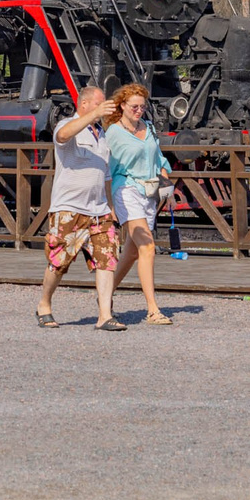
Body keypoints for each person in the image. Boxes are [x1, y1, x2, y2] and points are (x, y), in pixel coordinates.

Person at [37, 88, 121, 327]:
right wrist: (93, 114)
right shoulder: (68, 124)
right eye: (98, 103)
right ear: (84, 104)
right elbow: (62, 136)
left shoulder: (101, 134)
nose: (104, 106)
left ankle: (105, 315)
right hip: (69, 208)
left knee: (107, 260)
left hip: (99, 211)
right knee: (59, 262)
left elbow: (105, 174)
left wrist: (111, 205)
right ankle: (44, 302)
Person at [104, 83, 173, 327]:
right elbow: (105, 167)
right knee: (147, 246)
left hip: (149, 191)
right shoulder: (112, 132)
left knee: (132, 251)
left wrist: (165, 176)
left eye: (142, 106)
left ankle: (105, 297)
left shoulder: (149, 128)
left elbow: (159, 158)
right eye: (134, 106)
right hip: (126, 190)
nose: (139, 110)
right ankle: (152, 309)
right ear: (122, 105)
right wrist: (107, 201)